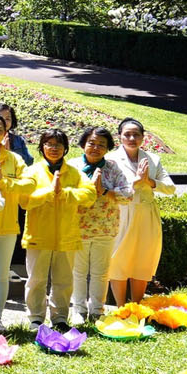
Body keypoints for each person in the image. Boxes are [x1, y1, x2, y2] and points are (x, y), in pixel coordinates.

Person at [18, 130, 95, 331]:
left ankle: (60, 317)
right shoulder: (31, 171)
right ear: (42, 146)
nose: (54, 149)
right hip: (38, 234)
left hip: (66, 235)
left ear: (65, 149)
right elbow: (24, 201)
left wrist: (66, 193)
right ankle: (35, 318)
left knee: (64, 280)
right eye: (49, 144)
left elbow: (90, 194)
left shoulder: (75, 172)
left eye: (58, 145)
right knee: (36, 280)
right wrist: (49, 192)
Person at [108, 118, 174, 304]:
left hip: (146, 214)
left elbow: (170, 188)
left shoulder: (153, 159)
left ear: (143, 137)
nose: (131, 138)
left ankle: (137, 307)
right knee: (119, 259)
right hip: (121, 213)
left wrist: (150, 182)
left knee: (142, 259)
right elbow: (108, 189)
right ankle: (121, 307)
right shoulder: (110, 160)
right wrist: (135, 183)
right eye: (127, 134)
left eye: (136, 134)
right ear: (119, 137)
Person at [72, 126, 132, 325]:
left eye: (101, 145)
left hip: (105, 228)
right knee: (78, 272)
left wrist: (104, 191)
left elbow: (128, 195)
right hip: (77, 228)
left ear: (107, 149)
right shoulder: (72, 166)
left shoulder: (112, 167)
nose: (95, 148)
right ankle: (79, 311)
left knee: (101, 272)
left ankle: (97, 311)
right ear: (83, 144)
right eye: (91, 143)